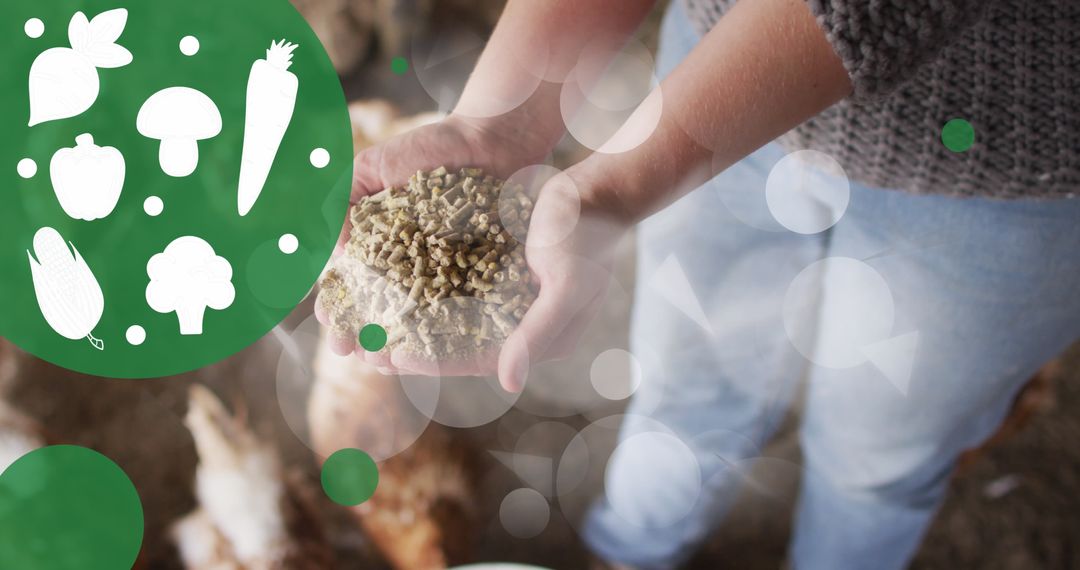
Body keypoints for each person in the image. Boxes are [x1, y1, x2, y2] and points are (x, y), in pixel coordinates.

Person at [326, 0, 1080, 568]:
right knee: (688, 375)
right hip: (714, 74)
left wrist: (613, 187)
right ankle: (633, 550)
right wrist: (498, 124)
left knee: (876, 456)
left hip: (1009, 156)